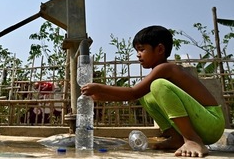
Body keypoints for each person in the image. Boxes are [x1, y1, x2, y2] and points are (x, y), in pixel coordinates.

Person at [81, 25, 225, 157]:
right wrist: (102, 97)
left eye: (142, 49)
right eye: (137, 50)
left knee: (157, 85)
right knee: (147, 95)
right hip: (201, 124)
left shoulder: (166, 68)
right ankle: (176, 138)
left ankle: (193, 140)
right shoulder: (161, 70)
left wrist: (99, 87)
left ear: (160, 49)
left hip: (212, 122)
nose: (138, 54)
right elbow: (136, 95)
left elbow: (133, 92)